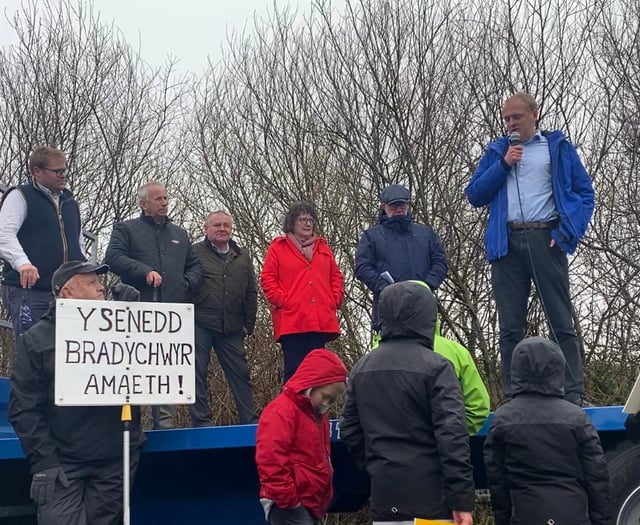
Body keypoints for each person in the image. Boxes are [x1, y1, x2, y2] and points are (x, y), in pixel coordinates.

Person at [465, 92, 595, 406]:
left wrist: (567, 233)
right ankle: (514, 395)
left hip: (545, 238)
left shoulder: (557, 148)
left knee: (559, 320)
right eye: (506, 118)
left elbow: (585, 194)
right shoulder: (498, 151)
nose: (511, 123)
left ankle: (572, 393)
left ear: (534, 115)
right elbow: (475, 194)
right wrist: (503, 164)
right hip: (505, 243)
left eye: (516, 117)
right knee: (509, 326)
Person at [8, 261, 145, 525]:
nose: (102, 288)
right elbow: (24, 407)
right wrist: (44, 461)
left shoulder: (119, 328)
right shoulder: (37, 340)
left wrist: (133, 314)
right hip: (62, 462)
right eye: (92, 283)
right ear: (68, 292)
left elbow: (149, 367)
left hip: (115, 460)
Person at [340, 281, 474, 525]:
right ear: (426, 316)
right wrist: (461, 501)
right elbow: (453, 437)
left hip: (384, 493)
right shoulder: (438, 367)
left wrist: (376, 466)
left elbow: (349, 429)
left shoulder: (362, 368)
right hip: (430, 499)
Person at [104, 181, 203, 429]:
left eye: (166, 198)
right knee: (134, 367)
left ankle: (164, 423)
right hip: (136, 311)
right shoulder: (126, 229)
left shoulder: (180, 234)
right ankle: (132, 424)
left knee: (167, 365)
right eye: (158, 199)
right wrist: (143, 270)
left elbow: (195, 266)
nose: (164, 203)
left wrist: (185, 284)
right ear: (143, 204)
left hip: (171, 314)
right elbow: (113, 258)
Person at [483, 337, 609, 525]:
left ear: (516, 370)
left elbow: (497, 481)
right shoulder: (577, 418)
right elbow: (597, 479)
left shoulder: (502, 419)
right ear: (558, 369)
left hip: (525, 515)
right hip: (572, 515)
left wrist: (503, 519)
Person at [371, 281, 490, 435]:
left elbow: (358, 416)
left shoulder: (372, 356)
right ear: (429, 308)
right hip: (441, 451)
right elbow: (478, 408)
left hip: (383, 451)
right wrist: (453, 436)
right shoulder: (457, 352)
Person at [0, 146, 85, 338]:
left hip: (66, 293)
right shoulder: (21, 195)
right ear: (37, 171)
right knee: (33, 350)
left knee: (65, 354)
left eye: (64, 170)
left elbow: (77, 243)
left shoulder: (70, 202)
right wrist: (23, 264)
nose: (63, 175)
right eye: (58, 171)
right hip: (29, 291)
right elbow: (4, 234)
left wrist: (82, 272)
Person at [255, 349, 348, 525]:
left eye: (332, 399)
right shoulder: (282, 411)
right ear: (310, 386)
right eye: (326, 396)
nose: (326, 403)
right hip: (290, 504)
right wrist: (289, 500)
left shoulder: (317, 415)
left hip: (307, 502)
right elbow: (270, 459)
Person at [260, 202, 343, 384]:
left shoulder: (323, 247)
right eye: (302, 220)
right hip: (293, 320)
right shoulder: (278, 248)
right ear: (292, 223)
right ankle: (290, 411)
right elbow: (268, 278)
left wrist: (333, 300)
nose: (307, 224)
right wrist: (285, 301)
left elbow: (336, 277)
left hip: (319, 319)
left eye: (310, 220)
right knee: (294, 372)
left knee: (317, 373)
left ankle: (314, 412)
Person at [190, 211, 258, 426]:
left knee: (241, 374)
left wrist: (249, 324)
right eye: (217, 225)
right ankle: (201, 420)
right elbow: (186, 283)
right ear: (206, 229)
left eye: (226, 225)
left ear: (231, 229)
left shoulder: (242, 255)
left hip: (232, 326)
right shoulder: (193, 253)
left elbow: (251, 291)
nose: (222, 229)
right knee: (196, 372)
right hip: (200, 322)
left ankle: (250, 420)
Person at [355, 184, 448, 331]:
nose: (398, 209)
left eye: (402, 205)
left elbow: (440, 262)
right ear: (383, 206)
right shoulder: (371, 236)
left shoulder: (426, 234)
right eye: (393, 206)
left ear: (408, 205)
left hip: (422, 307)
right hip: (388, 308)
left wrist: (427, 286)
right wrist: (386, 289)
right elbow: (362, 267)